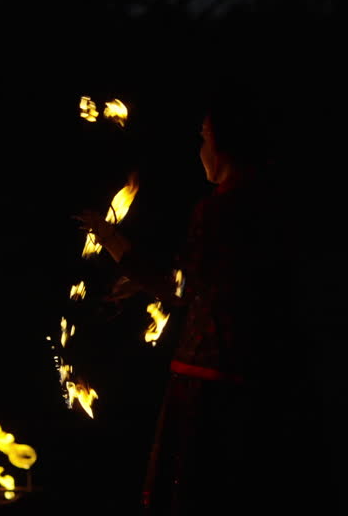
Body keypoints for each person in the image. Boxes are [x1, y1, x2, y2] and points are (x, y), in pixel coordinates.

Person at [76, 81, 305, 515]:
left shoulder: (221, 208)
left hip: (211, 383)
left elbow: (177, 285)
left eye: (203, 137)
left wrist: (107, 236)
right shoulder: (275, 202)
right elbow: (209, 280)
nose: (199, 148)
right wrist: (139, 283)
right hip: (268, 379)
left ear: (225, 144)